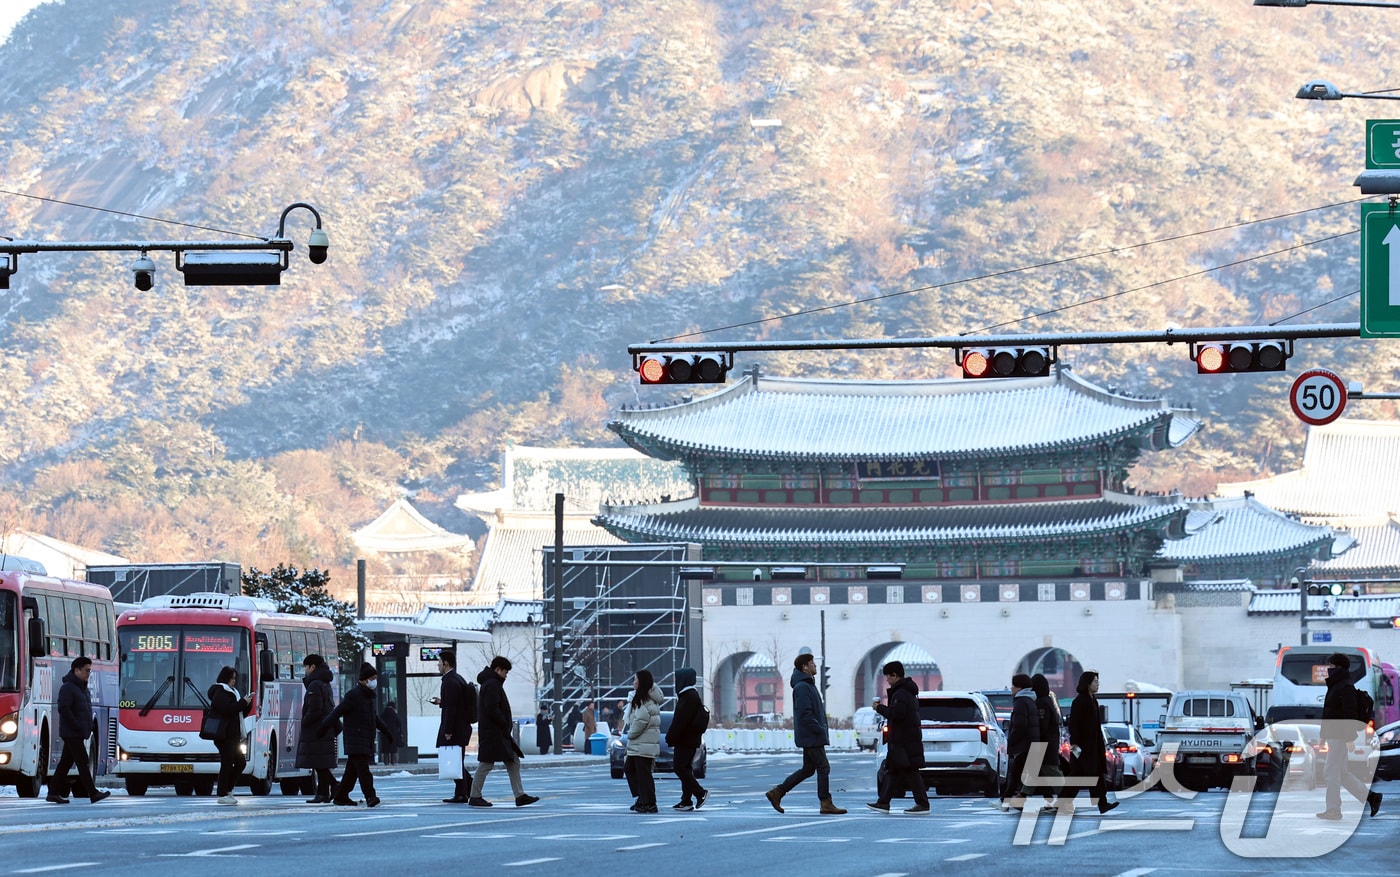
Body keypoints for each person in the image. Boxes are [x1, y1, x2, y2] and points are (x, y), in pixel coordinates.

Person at [765, 653, 846, 815]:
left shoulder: (807, 684)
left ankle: (778, 792)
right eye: (812, 663)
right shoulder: (802, 686)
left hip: (812, 735)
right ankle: (825, 802)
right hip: (811, 736)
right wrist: (818, 729)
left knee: (808, 769)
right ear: (804, 667)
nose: (815, 666)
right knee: (823, 767)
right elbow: (805, 714)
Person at [1318, 652, 1382, 820]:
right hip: (1334, 735)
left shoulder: (1345, 686)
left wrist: (1348, 738)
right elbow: (1329, 714)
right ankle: (1371, 797)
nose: (1329, 669)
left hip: (1340, 736)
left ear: (1339, 668)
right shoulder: (1336, 685)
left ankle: (1333, 810)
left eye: (1331, 666)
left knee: (1330, 772)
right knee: (1341, 773)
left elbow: (1349, 714)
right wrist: (1323, 736)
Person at [469, 655, 539, 807]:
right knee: (487, 763)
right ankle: (475, 795)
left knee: (512, 760)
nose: (506, 675)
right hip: (495, 733)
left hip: (495, 733)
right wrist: (503, 722)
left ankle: (519, 795)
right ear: (497, 669)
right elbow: (492, 708)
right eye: (505, 672)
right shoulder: (492, 684)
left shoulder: (490, 683)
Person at [321, 662, 394, 808]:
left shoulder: (368, 696)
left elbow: (374, 717)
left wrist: (386, 731)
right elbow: (337, 712)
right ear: (365, 679)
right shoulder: (353, 695)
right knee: (363, 771)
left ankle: (341, 795)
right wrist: (324, 727)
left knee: (352, 772)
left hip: (364, 739)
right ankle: (370, 796)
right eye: (372, 678)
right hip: (356, 739)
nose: (374, 681)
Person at [46, 656, 111, 804]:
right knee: (82, 761)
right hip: (72, 733)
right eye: (86, 670)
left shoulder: (82, 688)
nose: (89, 673)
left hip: (77, 732)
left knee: (66, 763)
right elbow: (64, 709)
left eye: (90, 670)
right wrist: (76, 725)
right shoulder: (68, 688)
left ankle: (53, 793)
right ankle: (93, 793)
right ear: (77, 670)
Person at [867, 660, 928, 814]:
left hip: (903, 740)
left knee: (910, 771)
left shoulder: (900, 693)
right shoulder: (907, 691)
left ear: (895, 675)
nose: (887, 680)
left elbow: (896, 714)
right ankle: (883, 802)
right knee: (893, 771)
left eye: (888, 676)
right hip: (904, 739)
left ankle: (922, 804)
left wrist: (879, 708)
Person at [1063, 670, 1119, 815]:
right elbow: (1074, 724)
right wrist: (1074, 744)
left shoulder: (1093, 700)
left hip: (1094, 746)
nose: (1097, 684)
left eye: (1098, 682)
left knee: (1096, 775)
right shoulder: (1080, 701)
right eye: (1095, 682)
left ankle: (1102, 803)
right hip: (1082, 747)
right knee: (1079, 776)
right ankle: (1064, 802)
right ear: (1087, 684)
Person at [431, 648, 477, 803]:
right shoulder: (458, 679)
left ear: (446, 663)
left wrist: (448, 730)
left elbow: (452, 708)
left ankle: (462, 792)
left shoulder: (449, 681)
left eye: (439, 662)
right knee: (456, 761)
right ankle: (467, 789)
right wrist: (441, 702)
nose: (438, 666)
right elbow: (455, 704)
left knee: (453, 761)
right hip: (462, 727)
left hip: (455, 729)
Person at [296, 654, 338, 804]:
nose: (305, 671)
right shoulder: (324, 683)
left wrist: (304, 721)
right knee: (320, 763)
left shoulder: (315, 684)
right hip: (325, 727)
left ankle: (330, 788)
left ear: (312, 666)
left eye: (306, 667)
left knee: (318, 763)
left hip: (317, 728)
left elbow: (315, 709)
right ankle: (324, 792)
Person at [207, 665, 252, 805]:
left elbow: (238, 713)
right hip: (224, 735)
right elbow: (227, 710)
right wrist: (242, 702)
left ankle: (228, 790)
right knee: (227, 763)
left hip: (233, 735)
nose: (233, 681)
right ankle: (222, 793)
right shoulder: (220, 691)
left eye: (235, 678)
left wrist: (246, 704)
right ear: (225, 678)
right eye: (231, 678)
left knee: (240, 762)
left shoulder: (232, 691)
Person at [665, 667, 709, 811]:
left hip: (685, 740)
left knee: (679, 768)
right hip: (689, 740)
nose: (675, 682)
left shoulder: (688, 696)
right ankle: (686, 800)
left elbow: (680, 721)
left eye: (677, 679)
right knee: (685, 768)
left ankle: (700, 793)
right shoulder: (691, 695)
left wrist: (670, 736)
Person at [1000, 672, 1041, 811]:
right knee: (1022, 775)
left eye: (1013, 685)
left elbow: (1019, 726)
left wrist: (1011, 740)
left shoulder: (1021, 702)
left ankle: (1005, 801)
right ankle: (1016, 801)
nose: (1011, 688)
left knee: (1015, 775)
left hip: (1023, 745)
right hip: (1031, 743)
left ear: (1019, 687)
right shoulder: (1030, 701)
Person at [624, 669, 662, 813]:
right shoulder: (644, 698)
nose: (633, 682)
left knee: (643, 774)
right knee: (632, 770)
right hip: (642, 744)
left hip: (642, 743)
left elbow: (641, 720)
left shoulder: (643, 699)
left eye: (635, 679)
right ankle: (642, 799)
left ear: (641, 682)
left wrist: (631, 734)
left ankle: (649, 803)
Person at [1030, 673, 1064, 812]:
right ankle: (1049, 797)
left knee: (1050, 771)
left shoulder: (1041, 703)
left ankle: (1065, 798)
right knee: (1040, 771)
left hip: (1044, 743)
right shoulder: (1048, 700)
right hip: (1049, 742)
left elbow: (1042, 724)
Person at [379, 701, 400, 766]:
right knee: (393, 750)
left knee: (386, 751)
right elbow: (399, 723)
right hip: (393, 734)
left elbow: (380, 722)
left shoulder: (383, 714)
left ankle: (386, 763)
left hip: (385, 734)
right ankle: (393, 763)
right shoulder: (394, 714)